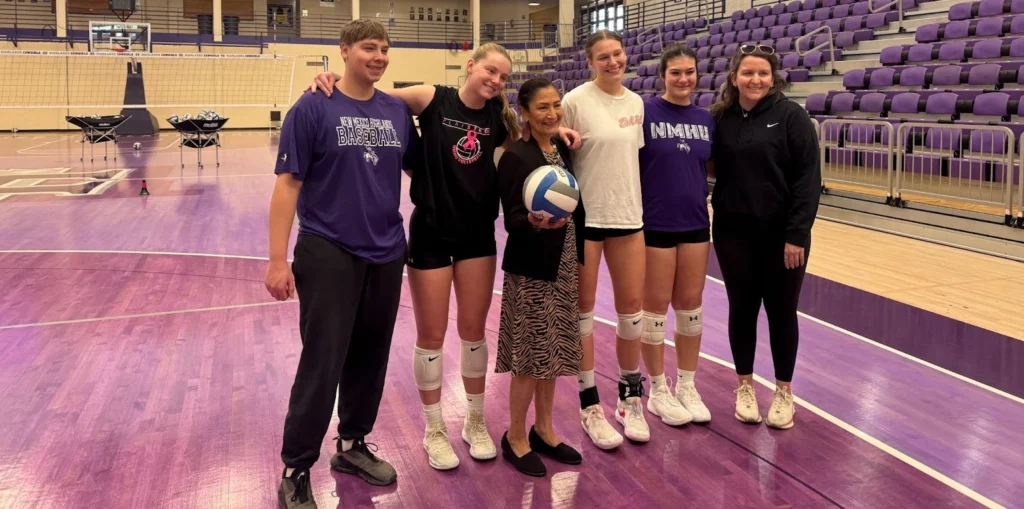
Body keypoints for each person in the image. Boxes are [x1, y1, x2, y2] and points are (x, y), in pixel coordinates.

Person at [306, 44, 581, 470]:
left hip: (476, 237)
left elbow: (530, 137)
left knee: (473, 333)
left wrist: (558, 133)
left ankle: (474, 422)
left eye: (504, 77)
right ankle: (434, 429)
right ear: (471, 65)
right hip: (431, 232)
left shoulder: (499, 118)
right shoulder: (431, 98)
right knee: (431, 336)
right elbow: (371, 96)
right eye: (490, 70)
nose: (496, 80)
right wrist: (330, 83)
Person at [265, 19, 420, 509]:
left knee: (371, 357)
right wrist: (276, 259)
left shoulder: (395, 110)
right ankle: (295, 468)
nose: (378, 56)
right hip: (328, 248)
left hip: (387, 248)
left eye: (385, 49)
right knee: (322, 362)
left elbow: (421, 163)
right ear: (344, 51)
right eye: (369, 48)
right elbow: (288, 185)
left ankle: (351, 445)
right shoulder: (313, 106)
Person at [708, 44, 820, 430]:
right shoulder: (720, 118)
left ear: (774, 78)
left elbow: (809, 180)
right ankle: (744, 386)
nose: (755, 80)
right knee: (742, 309)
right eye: (748, 73)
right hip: (732, 233)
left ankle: (784, 392)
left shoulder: (792, 117)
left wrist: (797, 234)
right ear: (734, 76)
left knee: (781, 312)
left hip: (782, 238)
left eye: (763, 74)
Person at [560, 29, 648, 448]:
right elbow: (557, 151)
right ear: (591, 62)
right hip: (586, 219)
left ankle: (631, 398)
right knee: (584, 316)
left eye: (617, 54)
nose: (613, 62)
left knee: (633, 315)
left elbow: (632, 158)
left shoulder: (636, 102)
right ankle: (589, 404)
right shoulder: (575, 101)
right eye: (603, 57)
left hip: (629, 217)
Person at [495, 78, 585, 477]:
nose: (551, 113)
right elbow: (511, 216)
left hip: (562, 262)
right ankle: (515, 437)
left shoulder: (561, 147)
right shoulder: (516, 156)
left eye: (556, 106)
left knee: (554, 355)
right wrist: (531, 222)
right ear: (525, 113)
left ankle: (544, 430)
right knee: (528, 358)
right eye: (542, 107)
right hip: (531, 266)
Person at [638, 43, 714, 427]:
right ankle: (657, 388)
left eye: (689, 72)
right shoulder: (645, 112)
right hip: (655, 224)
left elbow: (710, 166)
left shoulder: (706, 118)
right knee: (654, 310)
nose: (683, 79)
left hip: (697, 223)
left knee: (690, 306)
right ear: (663, 76)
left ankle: (687, 384)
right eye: (675, 73)